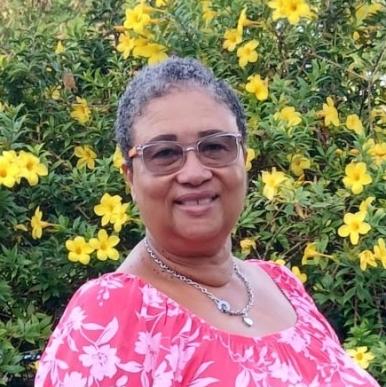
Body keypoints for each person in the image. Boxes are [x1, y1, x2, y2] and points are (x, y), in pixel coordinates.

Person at [35, 57, 379, 386]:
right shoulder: (109, 316)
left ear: (243, 158)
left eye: (215, 147)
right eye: (165, 154)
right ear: (130, 177)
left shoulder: (283, 285)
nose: (195, 173)